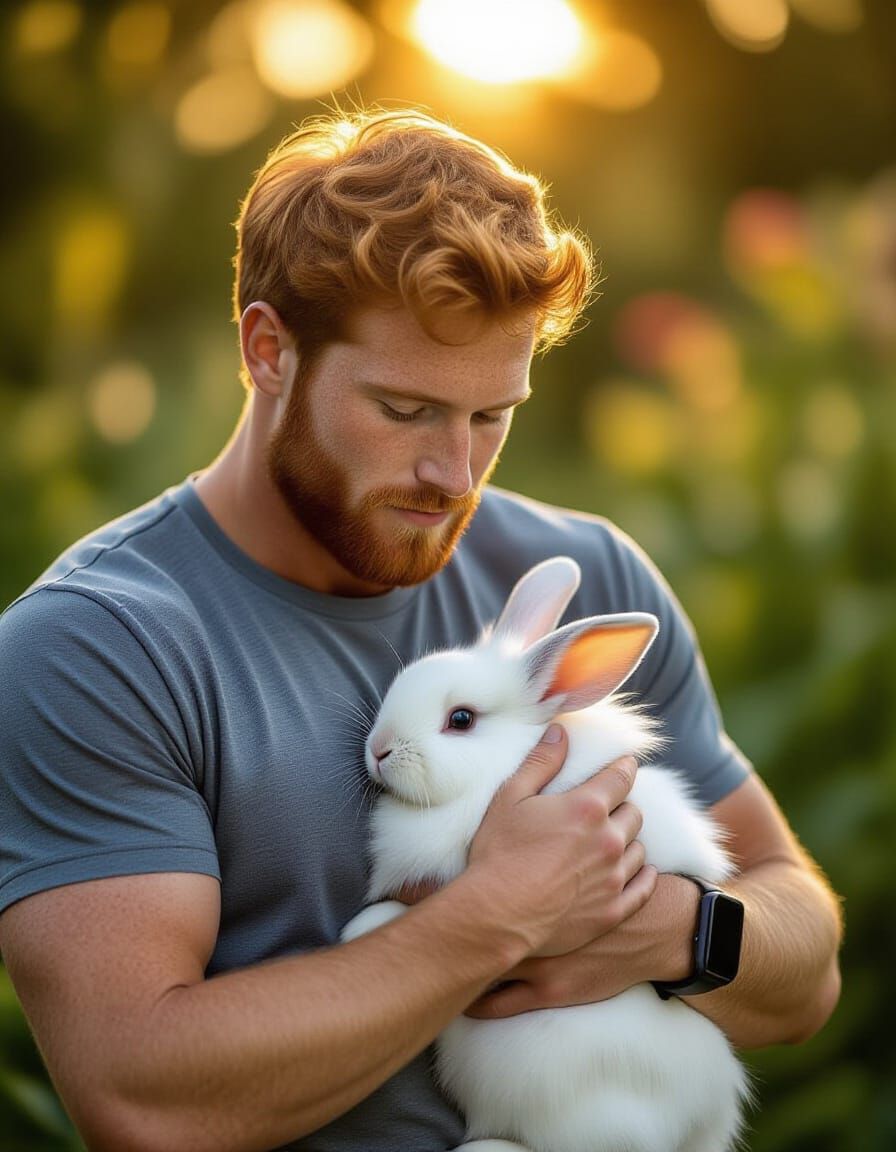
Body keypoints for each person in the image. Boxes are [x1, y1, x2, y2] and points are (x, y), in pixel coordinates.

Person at [0, 109, 841, 1152]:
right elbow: (141, 1099)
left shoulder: (589, 579)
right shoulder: (98, 649)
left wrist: (662, 928)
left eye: (492, 417)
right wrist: (496, 916)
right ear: (269, 352)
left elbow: (803, 971)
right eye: (404, 412)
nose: (454, 476)